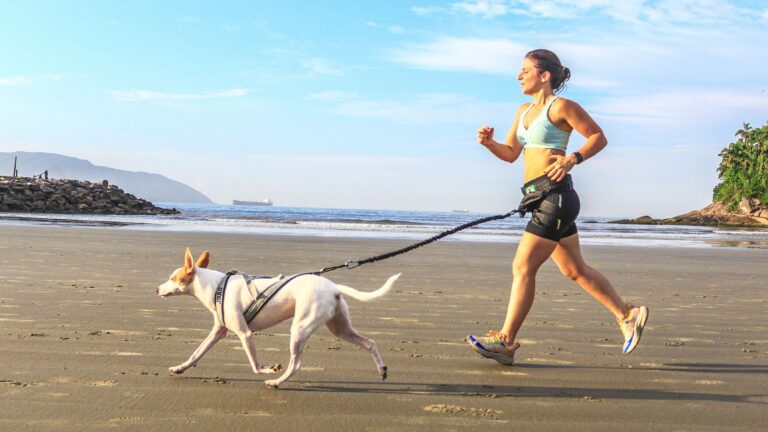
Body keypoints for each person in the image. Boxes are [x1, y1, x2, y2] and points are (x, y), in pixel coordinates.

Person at [466, 49, 648, 365]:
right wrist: (488, 144)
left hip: (557, 197)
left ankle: (506, 342)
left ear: (544, 75)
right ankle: (627, 314)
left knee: (523, 266)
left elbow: (598, 137)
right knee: (573, 269)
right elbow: (510, 153)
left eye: (525, 70)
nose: (519, 75)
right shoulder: (523, 111)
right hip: (539, 197)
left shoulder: (562, 107)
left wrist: (572, 158)